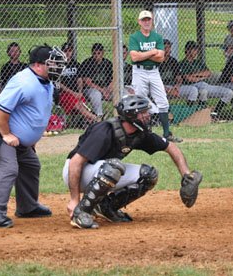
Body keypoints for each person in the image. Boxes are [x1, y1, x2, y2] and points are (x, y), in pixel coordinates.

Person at [64, 94, 198, 229]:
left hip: (103, 171)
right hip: (76, 172)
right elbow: (75, 162)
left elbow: (170, 147)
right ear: (131, 116)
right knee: (114, 167)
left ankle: (106, 208)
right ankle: (80, 212)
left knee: (148, 175)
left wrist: (186, 174)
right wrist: (74, 199)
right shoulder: (105, 130)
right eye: (143, 113)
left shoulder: (140, 133)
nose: (148, 115)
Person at [0, 45, 67, 228]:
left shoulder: (47, 81)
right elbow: (0, 110)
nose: (57, 68)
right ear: (37, 65)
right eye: (52, 64)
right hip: (0, 131)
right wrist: (6, 134)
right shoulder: (23, 82)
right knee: (8, 168)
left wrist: (31, 138)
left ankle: (27, 207)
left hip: (19, 139)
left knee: (30, 165)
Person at [129, 10, 181, 142]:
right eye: (144, 20)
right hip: (139, 71)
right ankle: (144, 133)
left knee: (163, 101)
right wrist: (152, 52)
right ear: (139, 22)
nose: (146, 22)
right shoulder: (134, 37)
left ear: (152, 21)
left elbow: (160, 58)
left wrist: (144, 54)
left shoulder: (157, 37)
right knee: (140, 102)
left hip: (154, 71)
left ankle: (167, 134)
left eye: (148, 20)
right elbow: (134, 57)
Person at [179, 40, 233, 120]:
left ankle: (214, 113)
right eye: (194, 50)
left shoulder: (198, 62)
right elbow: (189, 79)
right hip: (192, 86)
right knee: (203, 92)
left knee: (229, 92)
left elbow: (208, 73)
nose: (196, 52)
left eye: (196, 50)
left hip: (204, 84)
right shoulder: (182, 63)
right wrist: (200, 76)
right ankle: (202, 115)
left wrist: (196, 75)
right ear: (187, 50)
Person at [55, 42, 99, 127]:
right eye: (65, 51)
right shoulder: (58, 65)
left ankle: (89, 122)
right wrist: (73, 92)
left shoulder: (76, 64)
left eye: (70, 51)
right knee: (78, 104)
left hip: (76, 93)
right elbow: (59, 83)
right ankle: (96, 118)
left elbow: (79, 79)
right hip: (63, 94)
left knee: (80, 103)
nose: (68, 53)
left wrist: (80, 91)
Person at [159, 39, 203, 106]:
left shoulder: (173, 61)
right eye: (165, 48)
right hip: (161, 88)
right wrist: (167, 90)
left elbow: (179, 78)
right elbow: (154, 82)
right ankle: (158, 114)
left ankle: (189, 111)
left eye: (169, 47)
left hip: (174, 87)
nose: (168, 50)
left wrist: (177, 86)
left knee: (193, 90)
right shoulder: (156, 62)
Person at [79, 42, 113, 120]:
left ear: (103, 52)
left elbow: (113, 79)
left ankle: (120, 116)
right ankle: (99, 117)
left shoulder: (107, 63)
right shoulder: (87, 63)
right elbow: (87, 82)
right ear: (92, 53)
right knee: (96, 94)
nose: (96, 55)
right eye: (94, 53)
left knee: (121, 92)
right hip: (90, 89)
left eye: (99, 53)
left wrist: (108, 90)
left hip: (106, 89)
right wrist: (102, 91)